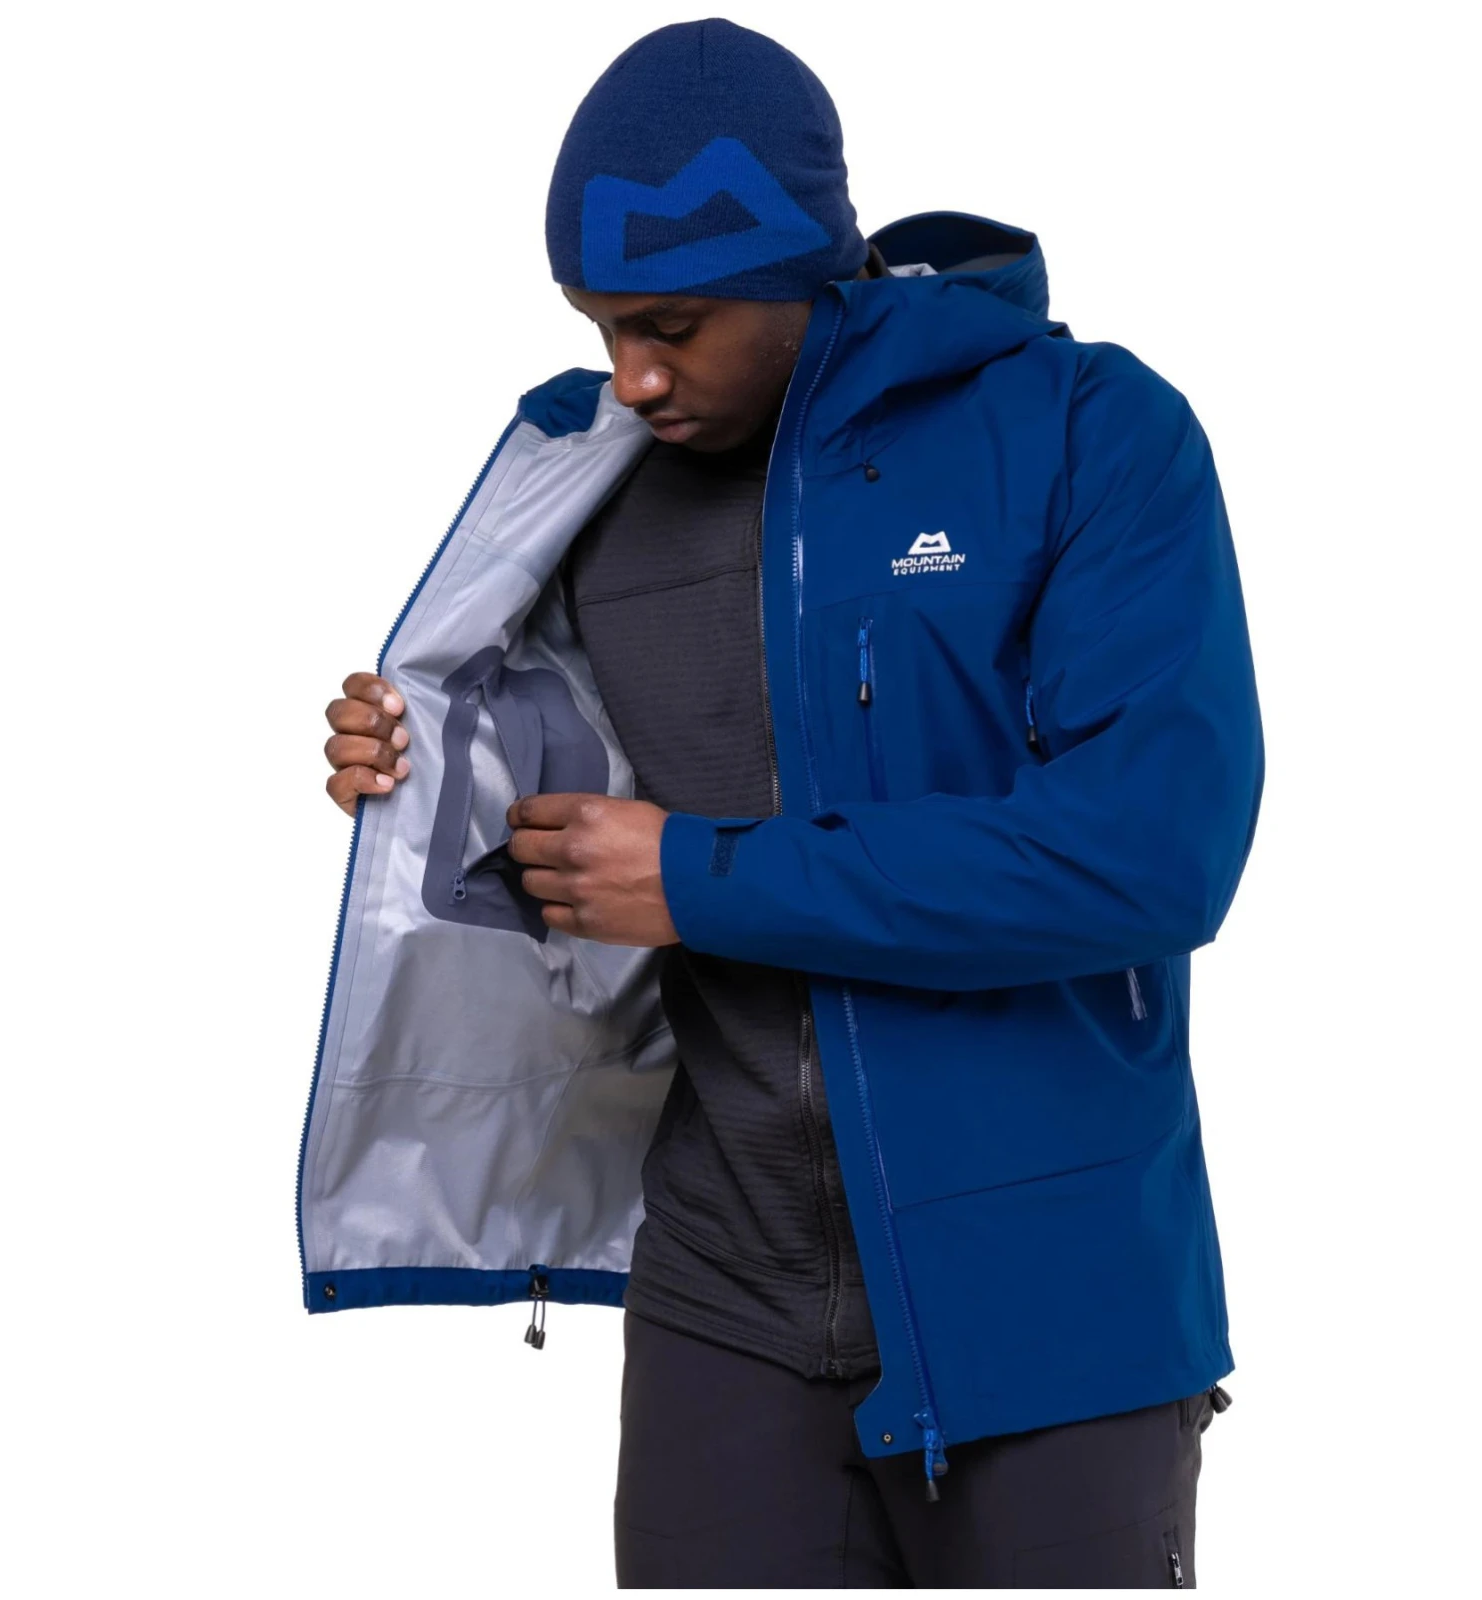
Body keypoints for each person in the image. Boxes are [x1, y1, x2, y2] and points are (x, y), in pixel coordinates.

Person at [306, 16, 1263, 1588]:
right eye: (600, 325)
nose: (634, 374)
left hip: (1051, 1303)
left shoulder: (1088, 432)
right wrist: (420, 766)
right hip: (723, 1310)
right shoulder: (586, 478)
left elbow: (1150, 854)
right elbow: (569, 787)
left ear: (805, 268)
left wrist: (703, 879)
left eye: (672, 324)